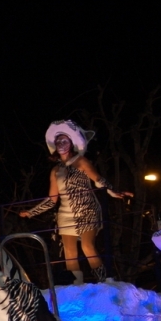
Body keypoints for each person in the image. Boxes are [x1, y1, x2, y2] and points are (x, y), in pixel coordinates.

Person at [20, 120, 132, 284]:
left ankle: (105, 282)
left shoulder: (81, 161)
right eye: (58, 141)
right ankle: (76, 285)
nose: (60, 143)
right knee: (69, 252)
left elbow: (98, 180)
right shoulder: (56, 170)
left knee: (88, 246)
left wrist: (114, 192)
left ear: (72, 143)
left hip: (87, 209)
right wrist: (31, 212)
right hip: (65, 213)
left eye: (64, 140)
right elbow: (52, 200)